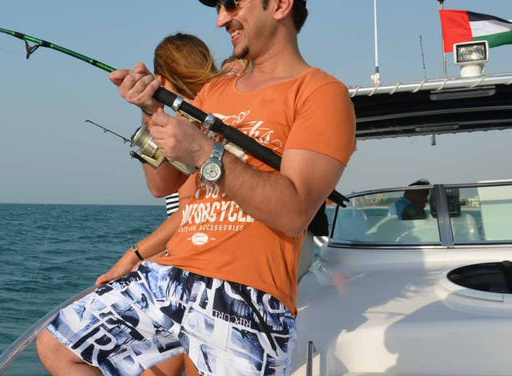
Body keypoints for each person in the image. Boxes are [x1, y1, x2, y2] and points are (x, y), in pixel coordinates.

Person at [38, 1, 356, 375]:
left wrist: (206, 150)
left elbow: (294, 212)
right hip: (170, 277)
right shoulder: (214, 93)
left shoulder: (320, 94)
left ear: (281, 5)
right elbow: (164, 184)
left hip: (247, 297)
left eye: (232, 4)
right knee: (58, 345)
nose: (221, 19)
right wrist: (149, 111)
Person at [93, 32, 218, 376]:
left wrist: (137, 255)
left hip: (203, 261)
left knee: (156, 364)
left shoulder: (203, 125)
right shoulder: (204, 116)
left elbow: (178, 200)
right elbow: (165, 189)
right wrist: (150, 113)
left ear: (161, 79)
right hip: (189, 254)